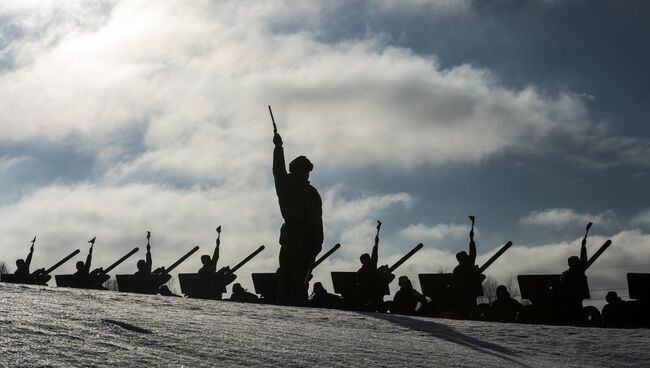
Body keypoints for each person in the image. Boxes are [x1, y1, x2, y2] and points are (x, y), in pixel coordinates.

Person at [273, 131, 323, 305]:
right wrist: (318, 242)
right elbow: (315, 220)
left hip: (289, 235)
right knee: (297, 273)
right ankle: (294, 302)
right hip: (303, 237)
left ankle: (285, 300)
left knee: (287, 272)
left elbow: (278, 170)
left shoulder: (284, 187)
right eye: (306, 171)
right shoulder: (309, 193)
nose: (307, 175)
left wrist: (278, 148)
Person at [553, 238, 589, 322]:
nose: (571, 264)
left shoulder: (579, 270)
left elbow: (583, 257)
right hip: (565, 296)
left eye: (573, 262)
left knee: (576, 311)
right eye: (570, 262)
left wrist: (583, 246)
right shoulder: (565, 273)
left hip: (576, 295)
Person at [451, 228, 484, 316]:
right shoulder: (459, 269)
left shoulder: (464, 267)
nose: (468, 257)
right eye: (465, 257)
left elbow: (473, 253)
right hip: (462, 297)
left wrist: (472, 240)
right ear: (460, 259)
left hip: (469, 296)